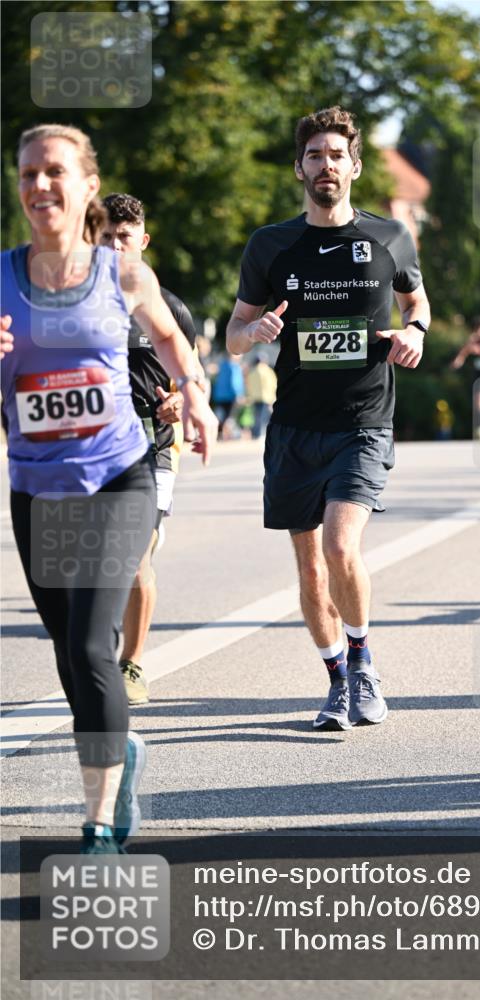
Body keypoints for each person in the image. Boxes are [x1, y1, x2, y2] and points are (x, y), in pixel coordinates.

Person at [0, 124, 217, 854]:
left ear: (87, 185)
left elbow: (171, 340)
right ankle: (118, 755)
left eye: (54, 171)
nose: (39, 185)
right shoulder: (0, 279)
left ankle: (99, 827)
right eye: (27, 173)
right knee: (69, 653)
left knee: (95, 647)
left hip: (120, 476)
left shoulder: (120, 274)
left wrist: (194, 395)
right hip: (37, 488)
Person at [226, 106, 430, 731]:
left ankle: (363, 662)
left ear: (355, 167)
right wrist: (253, 332)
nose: (326, 165)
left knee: (341, 546)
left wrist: (416, 332)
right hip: (294, 426)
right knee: (311, 567)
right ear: (299, 168)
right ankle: (337, 679)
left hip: (364, 420)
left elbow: (415, 301)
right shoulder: (270, 244)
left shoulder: (390, 236)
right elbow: (234, 333)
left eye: (336, 155)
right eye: (314, 155)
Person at [101, 193, 202, 706]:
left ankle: (132, 664)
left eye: (124, 237)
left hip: (154, 446)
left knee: (135, 554)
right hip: (94, 447)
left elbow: (194, 374)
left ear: (142, 241)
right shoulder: (70, 305)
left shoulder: (168, 307)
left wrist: (183, 401)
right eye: (106, 236)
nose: (115, 246)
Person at [212, 351, 245, 439]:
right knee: (229, 416)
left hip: (219, 396)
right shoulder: (234, 367)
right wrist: (238, 394)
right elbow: (235, 382)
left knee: (221, 416)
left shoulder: (222, 365)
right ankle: (226, 435)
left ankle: (221, 433)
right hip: (230, 396)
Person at [245, 352, 277, 439]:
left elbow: (248, 385)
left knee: (256, 416)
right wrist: (273, 397)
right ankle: (261, 433)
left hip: (254, 397)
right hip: (266, 397)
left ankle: (256, 433)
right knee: (265, 417)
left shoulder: (252, 371)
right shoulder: (268, 371)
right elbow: (273, 385)